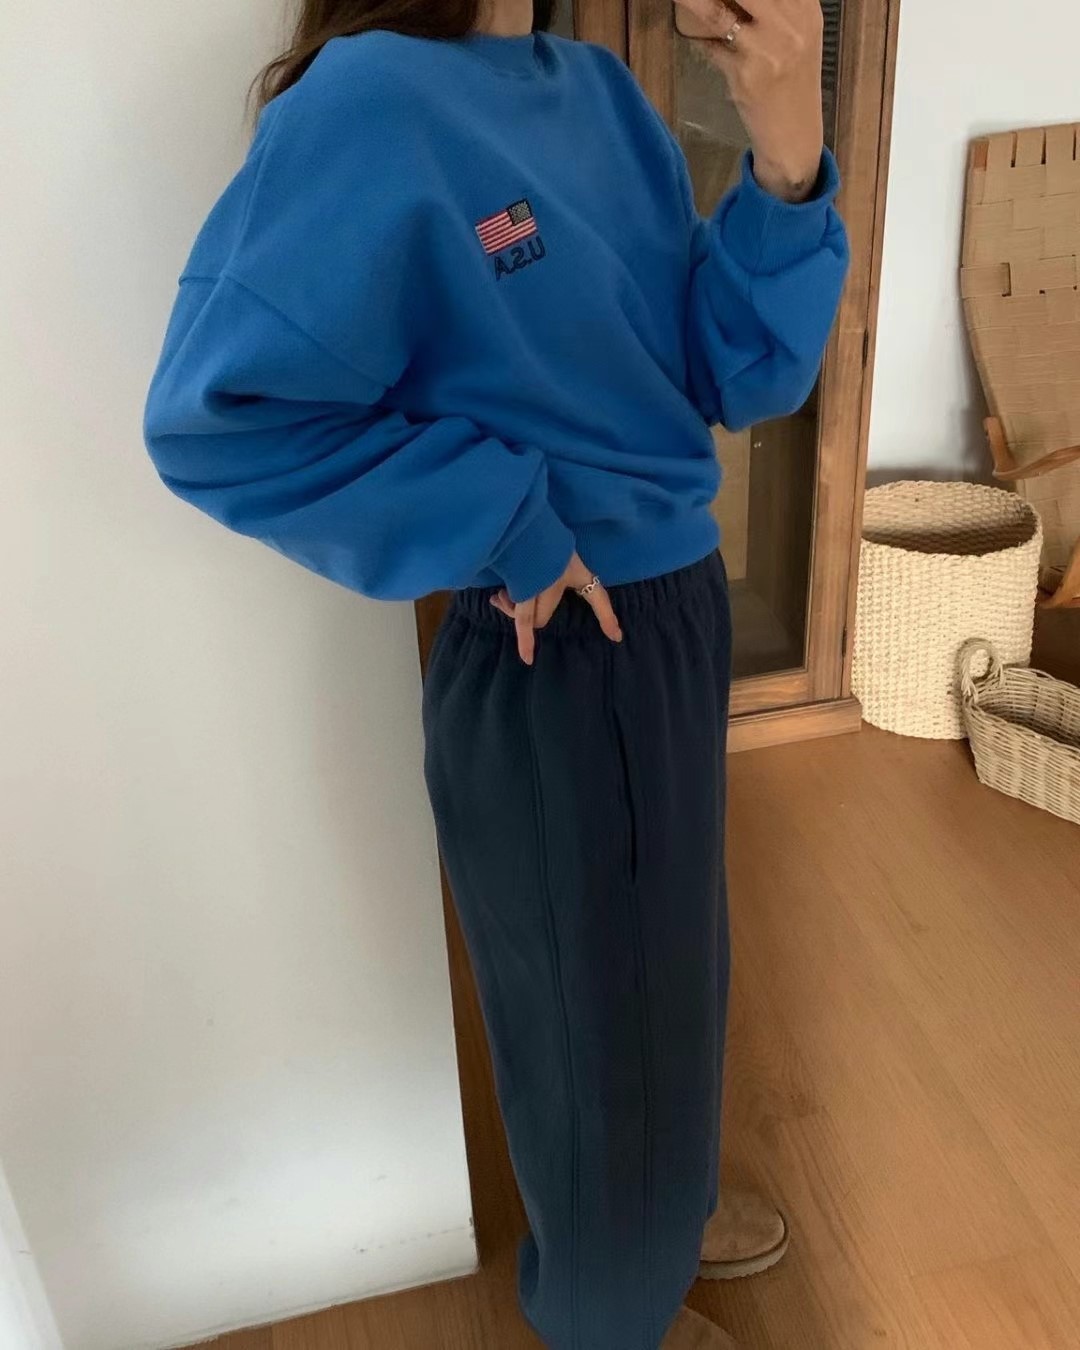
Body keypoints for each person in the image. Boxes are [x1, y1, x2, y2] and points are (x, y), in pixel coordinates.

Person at [143, 0, 847, 1344]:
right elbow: (217, 418)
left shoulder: (594, 90)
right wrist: (506, 525)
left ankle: (653, 1221)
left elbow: (733, 371)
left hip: (672, 610)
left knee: (664, 980)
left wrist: (785, 153)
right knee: (602, 1042)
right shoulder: (371, 105)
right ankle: (612, 1311)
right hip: (559, 648)